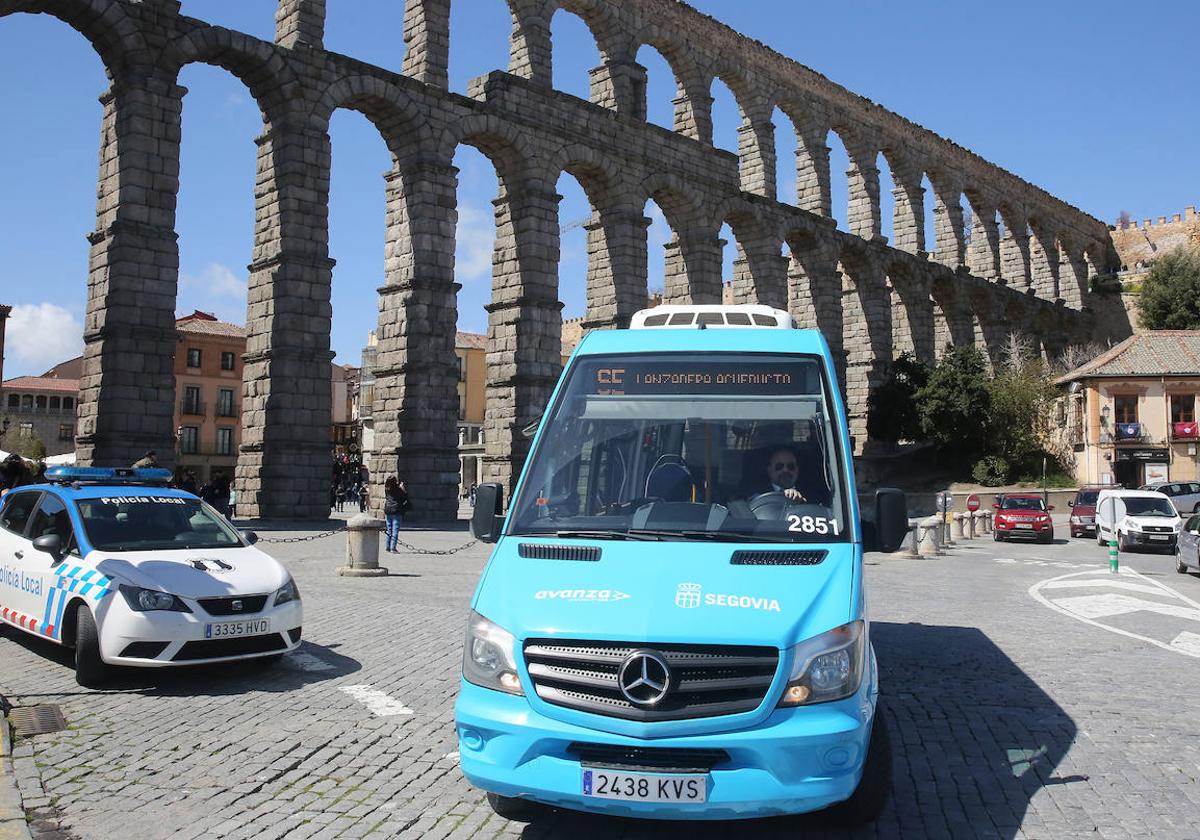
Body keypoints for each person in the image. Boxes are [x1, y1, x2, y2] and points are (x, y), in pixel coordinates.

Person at [383, 476, 408, 553]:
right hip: (396, 510)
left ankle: (387, 546)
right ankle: (393, 548)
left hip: (388, 510)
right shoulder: (398, 490)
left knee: (389, 529)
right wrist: (403, 489)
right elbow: (404, 498)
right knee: (395, 530)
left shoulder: (387, 489)